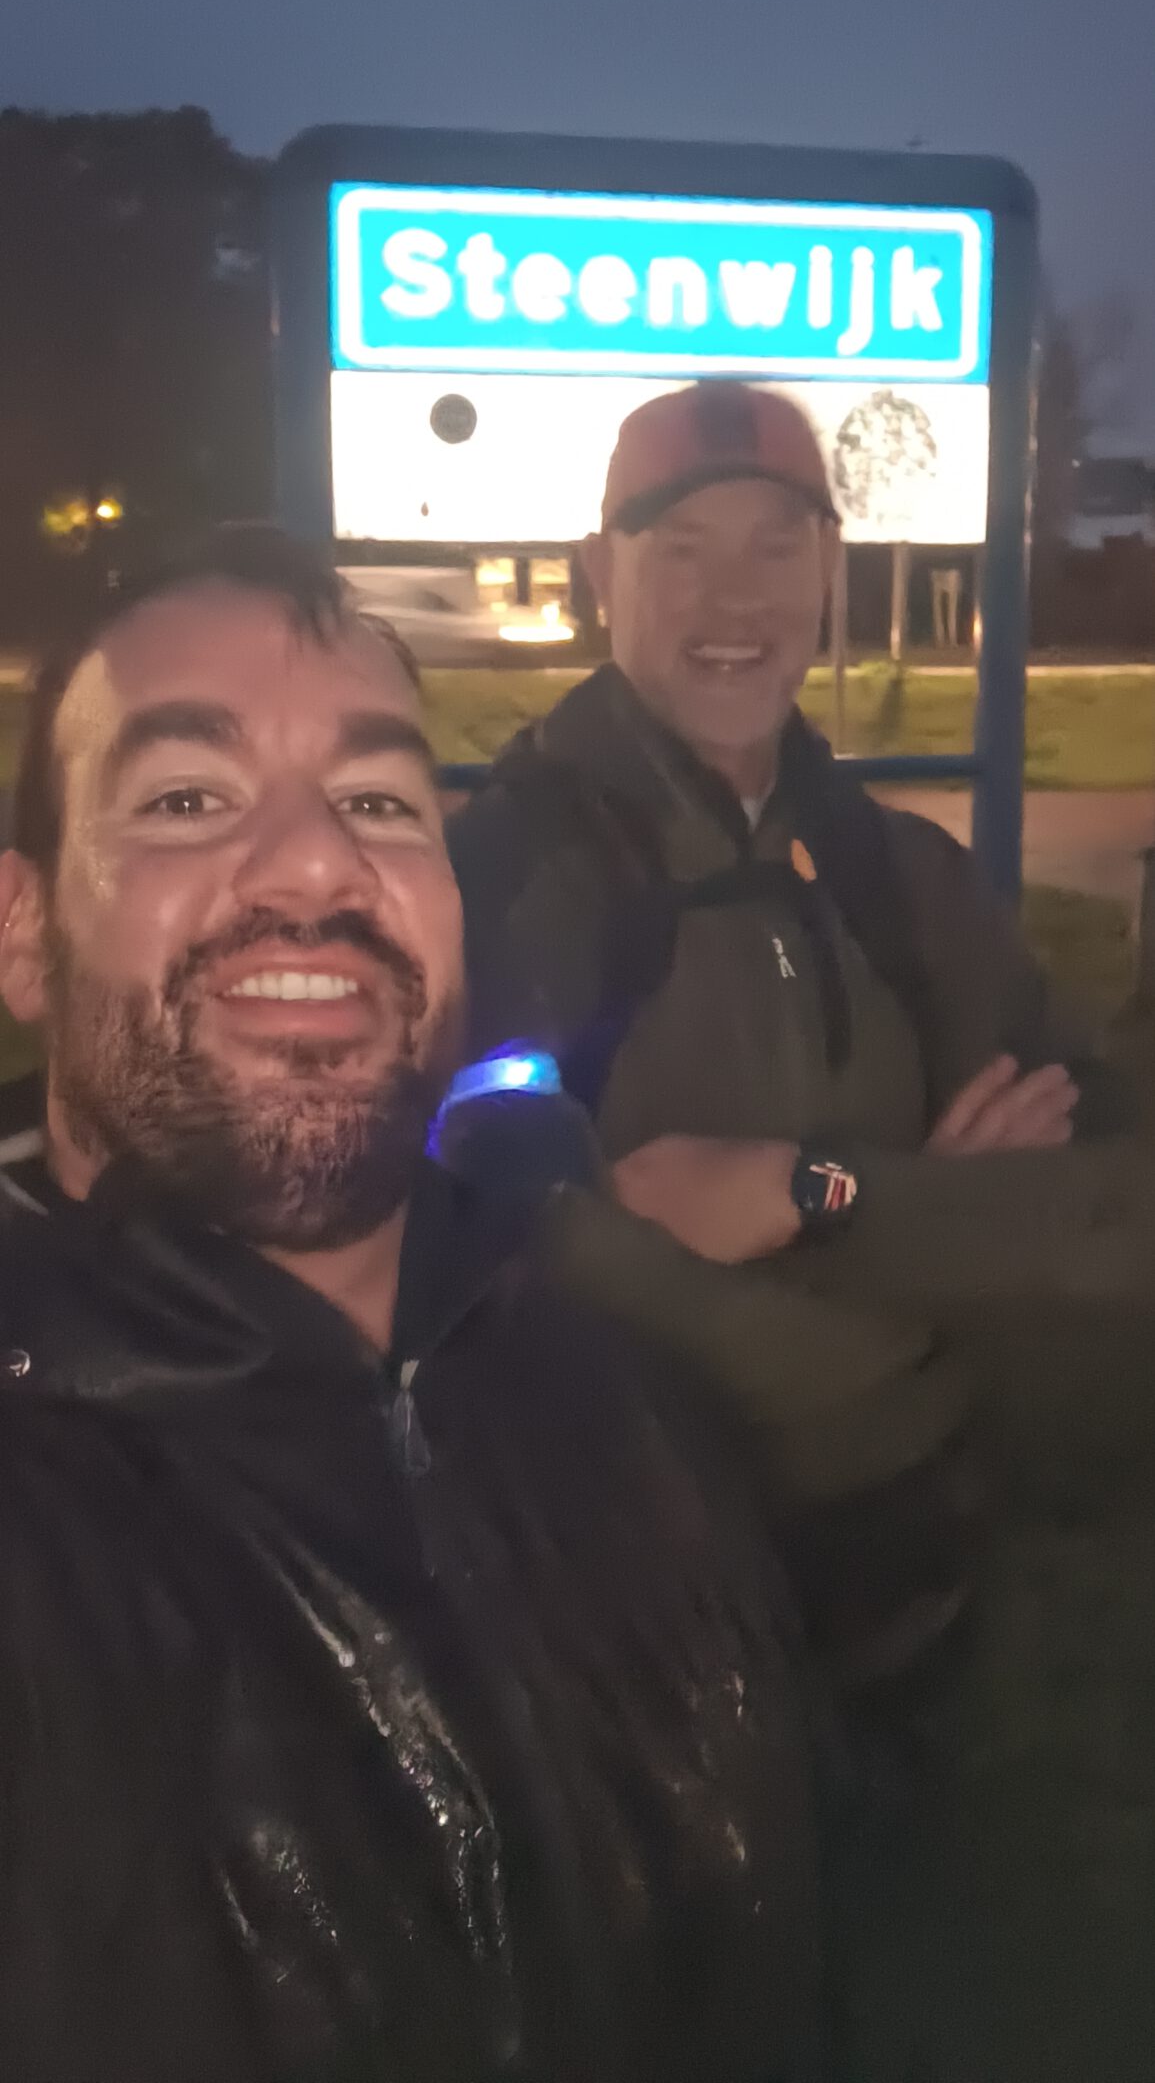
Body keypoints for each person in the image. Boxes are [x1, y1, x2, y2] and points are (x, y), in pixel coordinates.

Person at [0, 526, 824, 2083]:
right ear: (24, 934)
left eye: (380, 802)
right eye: (188, 799)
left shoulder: (619, 1403)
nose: (317, 866)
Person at [448, 379, 1132, 1684]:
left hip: (931, 1581)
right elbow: (512, 1249)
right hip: (627, 1613)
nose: (736, 600)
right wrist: (950, 1250)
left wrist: (813, 1194)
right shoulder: (497, 883)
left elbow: (1111, 1179)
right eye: (683, 549)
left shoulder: (906, 878)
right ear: (600, 573)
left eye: (777, 546)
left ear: (829, 569)